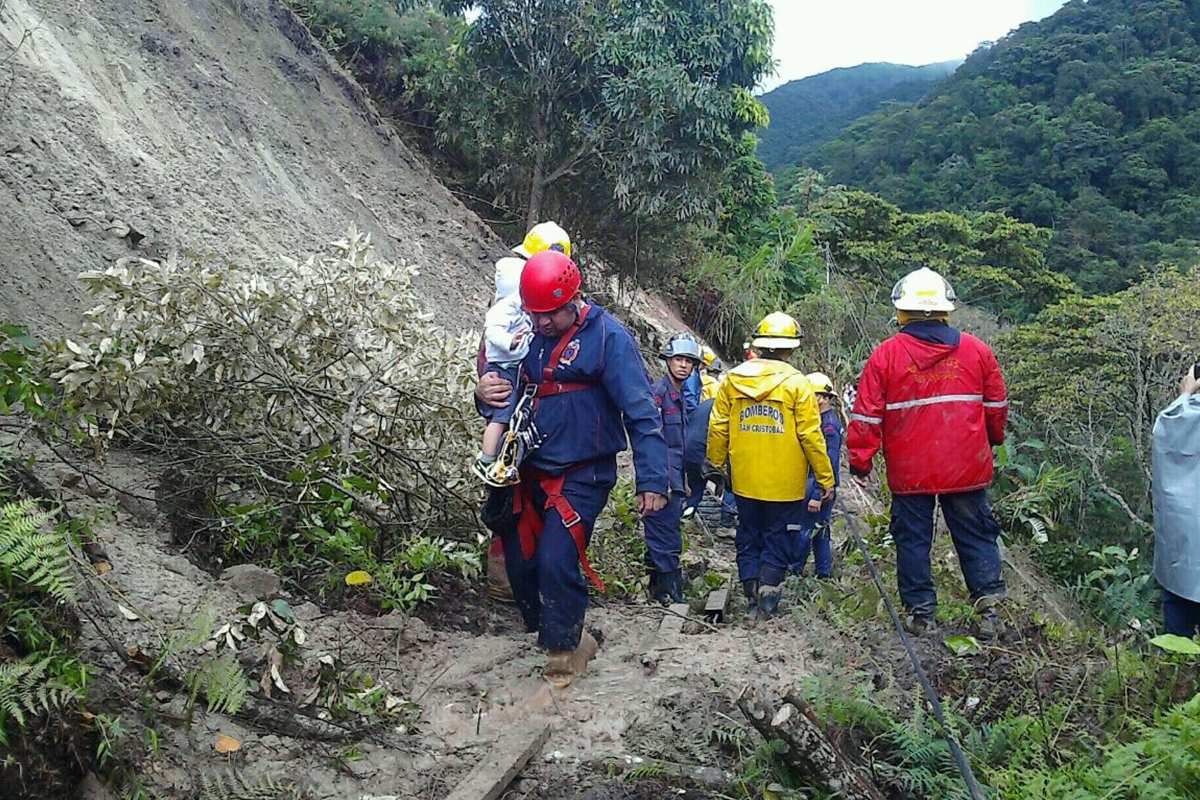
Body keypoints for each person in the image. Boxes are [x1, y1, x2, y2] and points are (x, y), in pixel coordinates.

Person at [475, 250, 668, 688]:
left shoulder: (607, 337)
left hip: (583, 473)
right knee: (521, 568)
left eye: (551, 315)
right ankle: (555, 630)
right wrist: (482, 391)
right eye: (535, 314)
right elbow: (500, 395)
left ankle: (563, 653)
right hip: (527, 469)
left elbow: (641, 411)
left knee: (556, 559)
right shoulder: (525, 332)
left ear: (572, 299)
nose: (542, 323)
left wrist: (652, 479)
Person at [847, 267, 1009, 637]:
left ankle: (922, 614)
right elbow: (996, 408)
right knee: (975, 533)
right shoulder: (977, 351)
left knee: (913, 539)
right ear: (944, 309)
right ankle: (990, 607)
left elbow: (866, 416)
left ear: (901, 311)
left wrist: (861, 461)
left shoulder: (885, 356)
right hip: (966, 466)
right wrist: (992, 441)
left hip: (910, 471)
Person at [707, 312, 834, 619]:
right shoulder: (797, 384)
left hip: (745, 478)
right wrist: (825, 476)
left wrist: (714, 465)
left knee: (748, 532)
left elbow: (719, 426)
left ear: (761, 343)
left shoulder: (732, 379)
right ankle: (768, 595)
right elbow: (810, 435)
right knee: (780, 534)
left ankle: (750, 588)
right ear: (791, 347)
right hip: (785, 483)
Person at [476, 222, 572, 597]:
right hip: (519, 425)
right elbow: (490, 365)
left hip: (549, 429)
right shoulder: (506, 309)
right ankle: (509, 580)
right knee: (511, 504)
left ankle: (536, 583)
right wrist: (484, 391)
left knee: (545, 507)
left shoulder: (564, 313)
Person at [646, 333, 703, 604]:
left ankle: (658, 591)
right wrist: (659, 482)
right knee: (664, 534)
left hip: (675, 479)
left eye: (688, 361)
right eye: (678, 359)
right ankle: (669, 595)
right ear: (668, 360)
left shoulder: (679, 396)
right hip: (662, 479)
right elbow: (651, 441)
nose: (683, 365)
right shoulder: (659, 394)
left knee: (666, 532)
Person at [471, 257, 532, 484]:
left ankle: (493, 460)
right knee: (502, 416)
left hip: (545, 455)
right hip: (508, 379)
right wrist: (481, 393)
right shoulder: (504, 313)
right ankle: (490, 460)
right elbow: (485, 366)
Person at [1152, 366, 1200, 637]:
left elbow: (1167, 427)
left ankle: (1176, 674)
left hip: (1185, 558)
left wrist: (1186, 394)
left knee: (1177, 637)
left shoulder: (1184, 416)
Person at [792, 372, 843, 578]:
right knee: (820, 531)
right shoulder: (822, 420)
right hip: (819, 483)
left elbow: (827, 461)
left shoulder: (827, 425)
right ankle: (824, 573)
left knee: (806, 530)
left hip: (819, 484)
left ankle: (795, 570)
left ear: (822, 398)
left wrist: (817, 493)